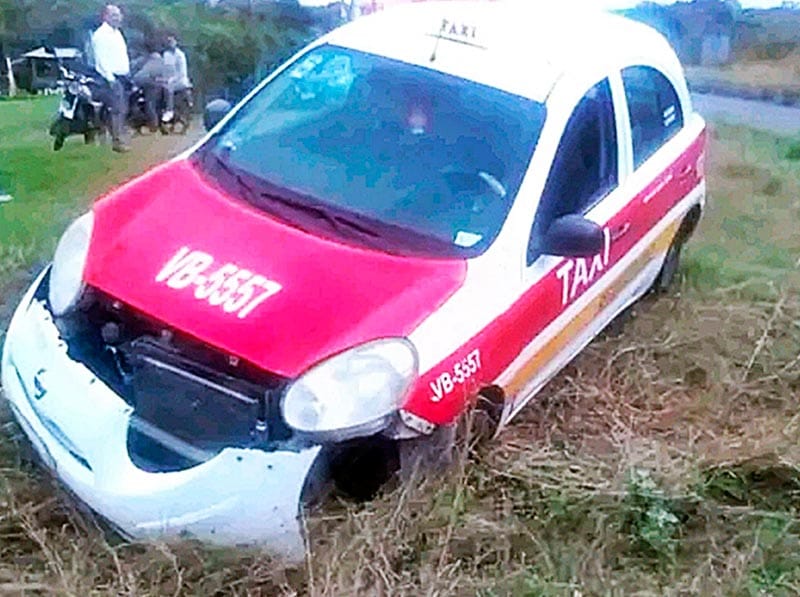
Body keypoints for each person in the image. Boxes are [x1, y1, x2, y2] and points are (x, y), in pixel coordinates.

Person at [91, 4, 131, 152]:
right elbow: (101, 60)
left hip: (122, 76)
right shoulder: (100, 35)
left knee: (123, 109)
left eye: (119, 15)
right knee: (117, 109)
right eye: (114, 15)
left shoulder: (117, 33)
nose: (118, 18)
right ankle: (117, 142)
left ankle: (117, 136)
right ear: (106, 16)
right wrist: (110, 79)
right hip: (111, 78)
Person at [133, 43, 167, 131]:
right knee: (155, 105)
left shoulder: (151, 60)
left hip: (152, 85)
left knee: (150, 104)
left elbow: (142, 75)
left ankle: (154, 124)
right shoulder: (161, 60)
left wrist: (134, 79)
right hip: (161, 84)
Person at [161, 34, 191, 123]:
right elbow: (164, 69)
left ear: (176, 42)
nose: (170, 43)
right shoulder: (166, 54)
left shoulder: (180, 55)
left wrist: (171, 79)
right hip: (168, 79)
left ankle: (169, 110)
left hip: (180, 80)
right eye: (168, 41)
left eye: (172, 41)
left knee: (169, 88)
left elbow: (181, 72)